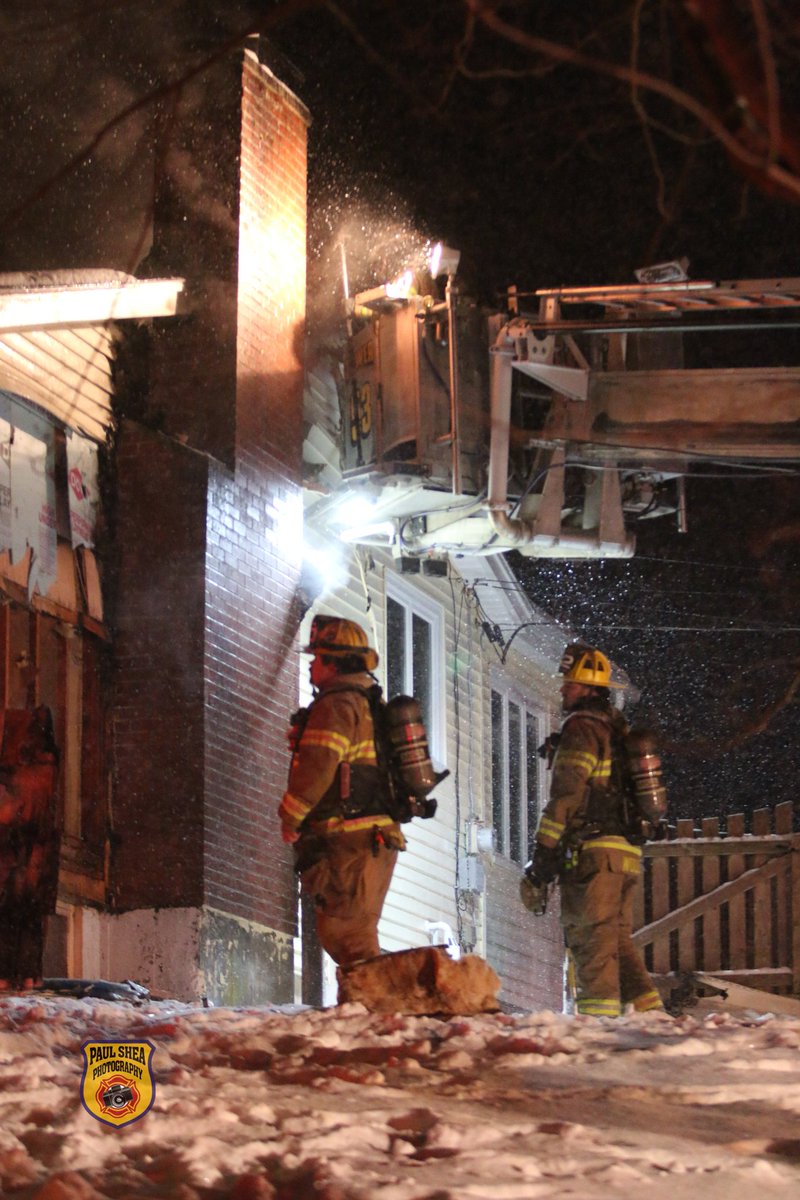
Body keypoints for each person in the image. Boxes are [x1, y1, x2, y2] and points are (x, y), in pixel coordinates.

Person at [523, 644, 663, 1018]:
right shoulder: (616, 730)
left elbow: (566, 798)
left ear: (588, 688)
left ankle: (597, 1033)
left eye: (570, 683)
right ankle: (653, 1021)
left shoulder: (582, 729)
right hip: (626, 855)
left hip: (595, 856)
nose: (562, 690)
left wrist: (542, 857)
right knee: (615, 941)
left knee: (592, 946)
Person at [278, 615, 405, 967]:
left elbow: (318, 768)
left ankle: (386, 1009)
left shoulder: (336, 705)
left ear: (334, 662)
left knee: (346, 936)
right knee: (353, 937)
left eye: (316, 657)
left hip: (350, 843)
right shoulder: (367, 704)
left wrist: (291, 817)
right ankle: (378, 1008)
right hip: (374, 839)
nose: (311, 666)